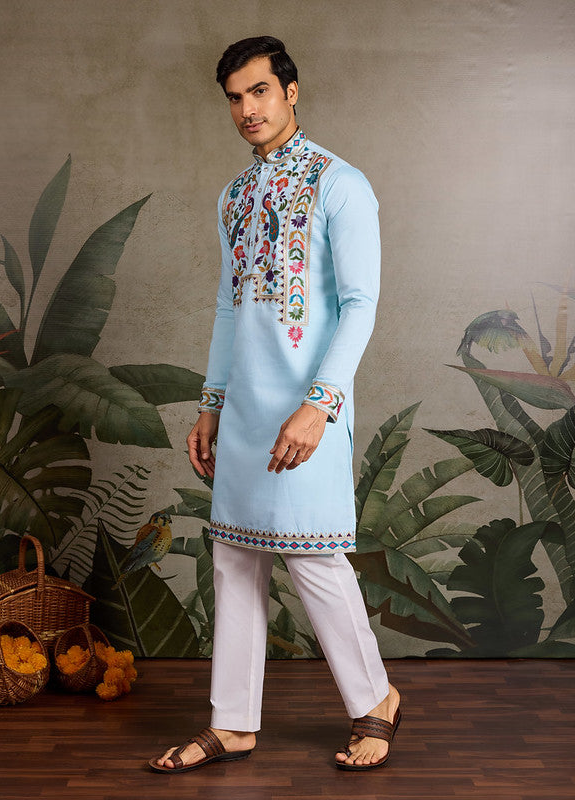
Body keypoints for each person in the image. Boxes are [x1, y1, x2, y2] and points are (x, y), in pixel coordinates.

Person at [149, 35, 401, 774]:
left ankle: (376, 699)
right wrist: (211, 402)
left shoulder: (340, 184)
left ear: (291, 91)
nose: (246, 109)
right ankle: (232, 722)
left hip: (307, 404)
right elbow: (231, 308)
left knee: (314, 557)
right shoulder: (234, 196)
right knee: (234, 557)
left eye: (259, 91)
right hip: (244, 408)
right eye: (234, 98)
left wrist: (320, 404)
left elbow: (360, 304)